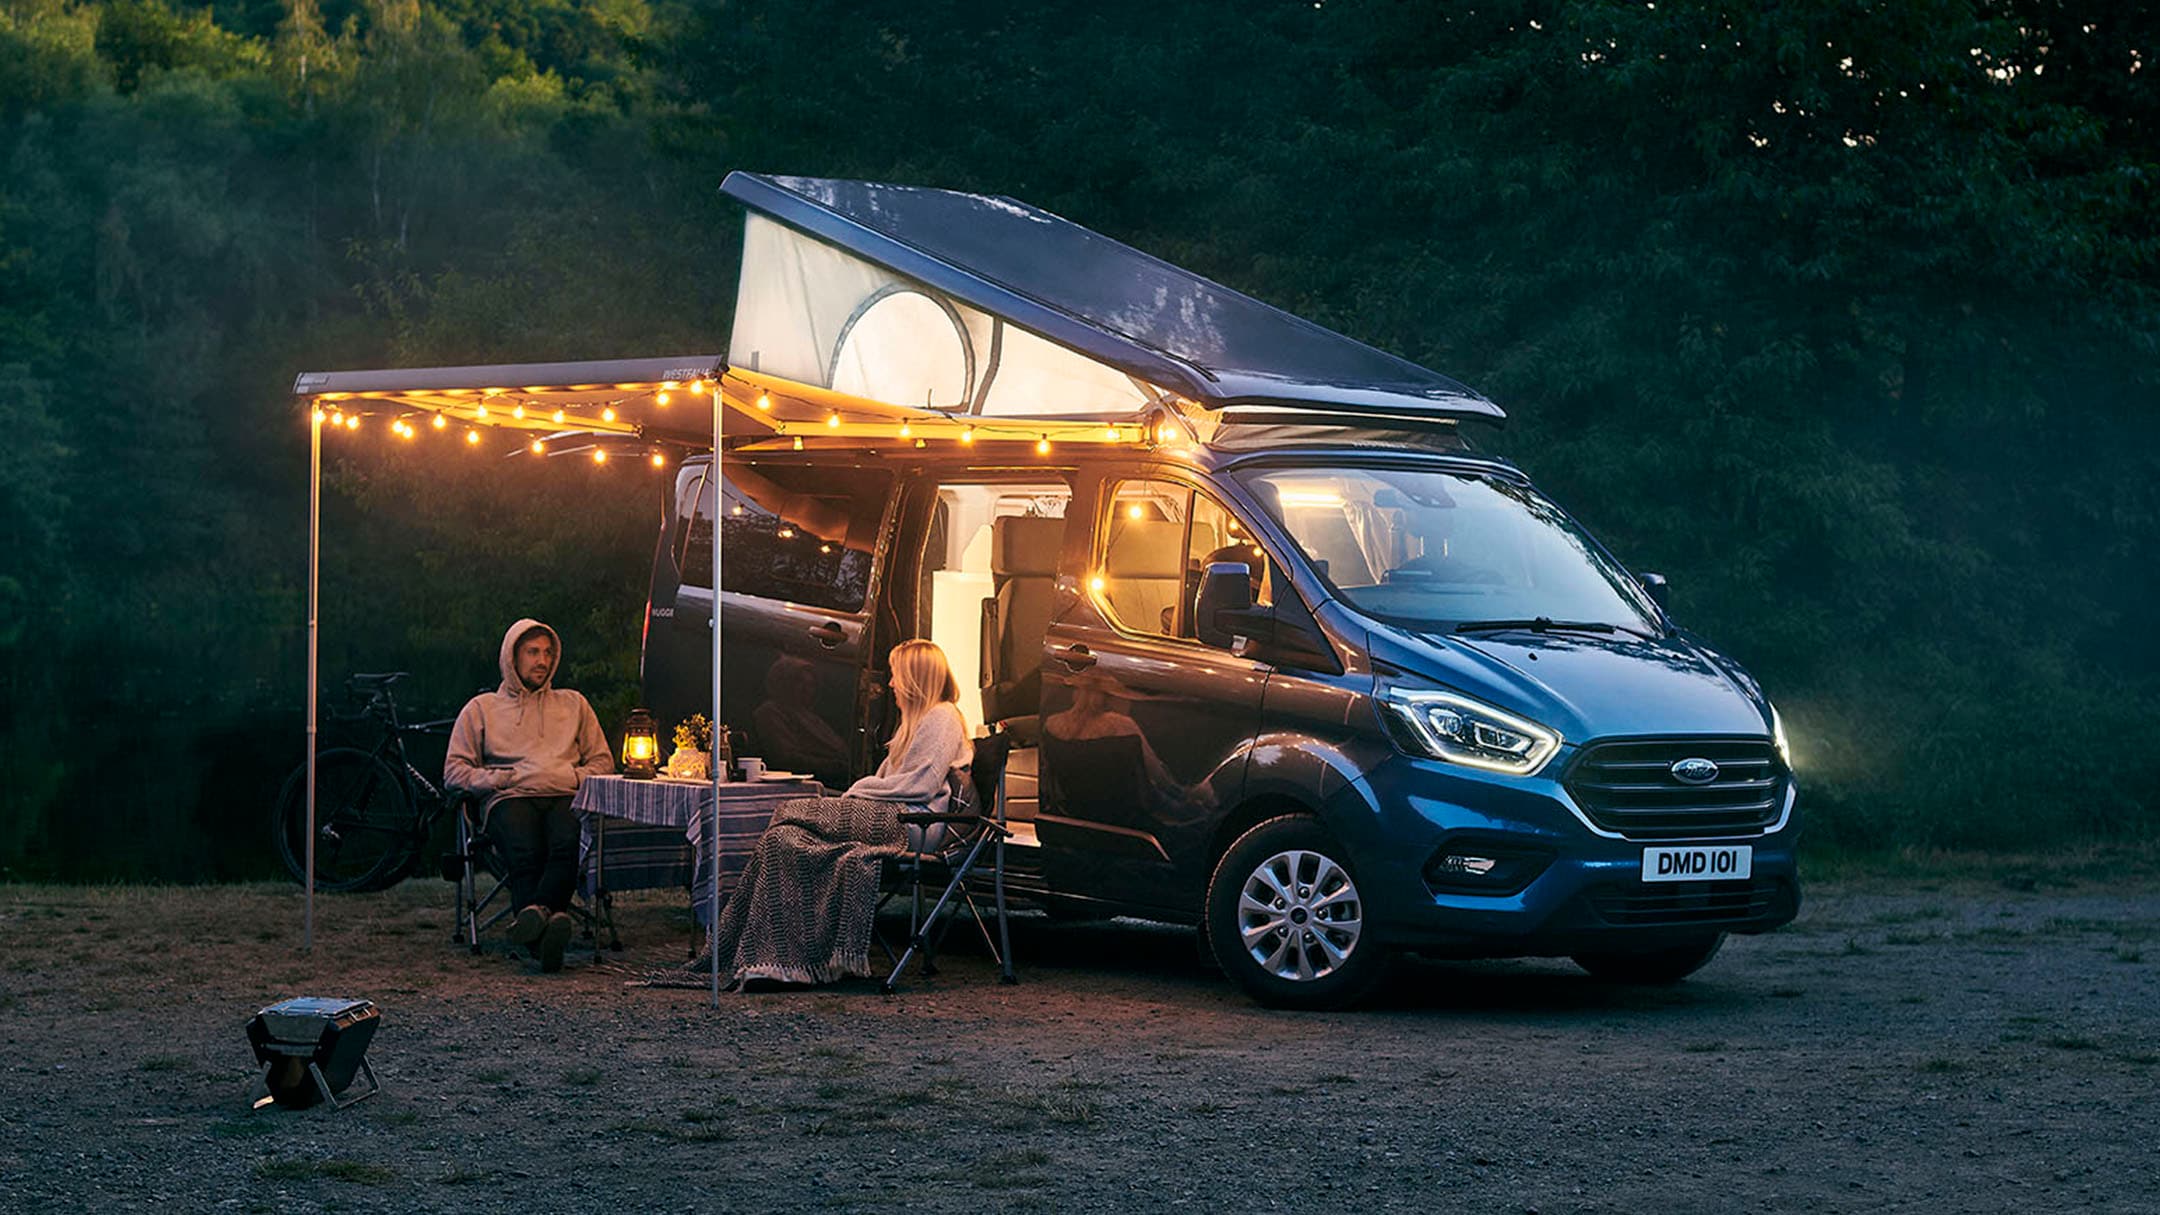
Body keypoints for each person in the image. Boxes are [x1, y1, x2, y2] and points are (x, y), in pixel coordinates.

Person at [703, 639, 973, 988]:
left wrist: (858, 792)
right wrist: (864, 793)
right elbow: (890, 781)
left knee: (789, 810)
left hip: (916, 823)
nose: (890, 684)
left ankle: (736, 940)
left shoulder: (943, 716)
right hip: (892, 816)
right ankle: (777, 961)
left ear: (914, 678)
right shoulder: (913, 723)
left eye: (895, 676)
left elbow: (922, 784)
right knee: (782, 839)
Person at [444, 618, 614, 972]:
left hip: (563, 792)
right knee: (526, 850)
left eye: (548, 652)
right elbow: (455, 772)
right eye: (532, 652)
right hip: (509, 797)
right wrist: (498, 779)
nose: (542, 660)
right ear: (512, 657)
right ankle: (550, 926)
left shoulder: (574, 704)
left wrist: (572, 774)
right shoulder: (482, 709)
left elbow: (602, 761)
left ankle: (538, 927)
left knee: (567, 843)